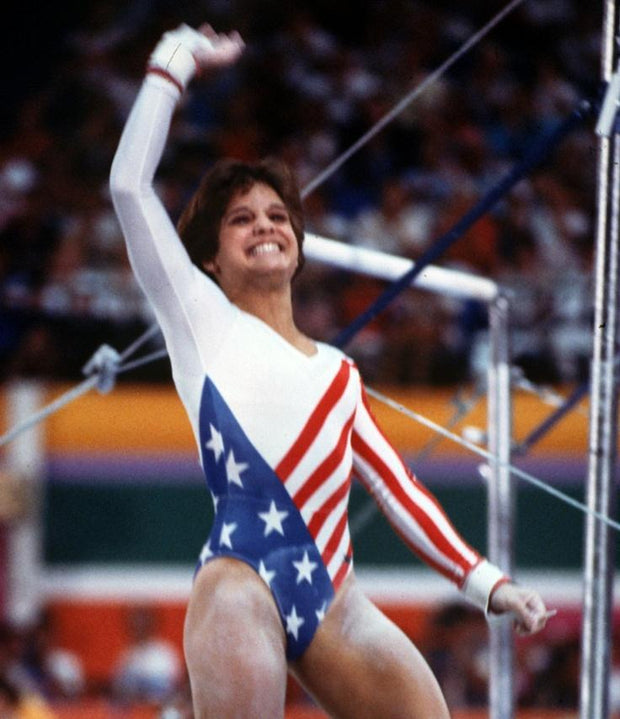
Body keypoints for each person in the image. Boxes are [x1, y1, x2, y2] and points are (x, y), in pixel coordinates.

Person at [110, 22, 553, 719]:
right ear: (210, 260)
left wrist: (490, 585)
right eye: (241, 219)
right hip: (240, 581)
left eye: (276, 215)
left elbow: (399, 491)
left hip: (333, 599)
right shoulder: (199, 317)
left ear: (297, 243)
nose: (265, 225)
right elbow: (129, 188)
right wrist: (174, 61)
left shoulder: (341, 373)